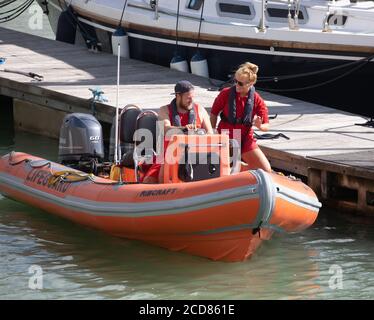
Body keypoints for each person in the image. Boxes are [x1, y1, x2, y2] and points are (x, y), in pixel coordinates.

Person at [142, 80, 213, 183]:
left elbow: (210, 133)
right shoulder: (164, 110)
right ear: (178, 96)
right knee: (149, 180)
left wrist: (198, 132)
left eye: (192, 97)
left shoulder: (200, 110)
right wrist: (184, 129)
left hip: (196, 157)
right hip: (168, 156)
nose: (191, 101)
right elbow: (166, 129)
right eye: (188, 98)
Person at [210, 62, 271, 173]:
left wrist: (260, 126)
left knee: (266, 170)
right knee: (223, 170)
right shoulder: (225, 93)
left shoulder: (257, 99)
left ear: (250, 84)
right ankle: (236, 167)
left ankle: (241, 167)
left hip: (245, 138)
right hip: (225, 135)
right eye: (235, 81)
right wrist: (212, 133)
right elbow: (214, 113)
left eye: (240, 83)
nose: (237, 85)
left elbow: (266, 125)